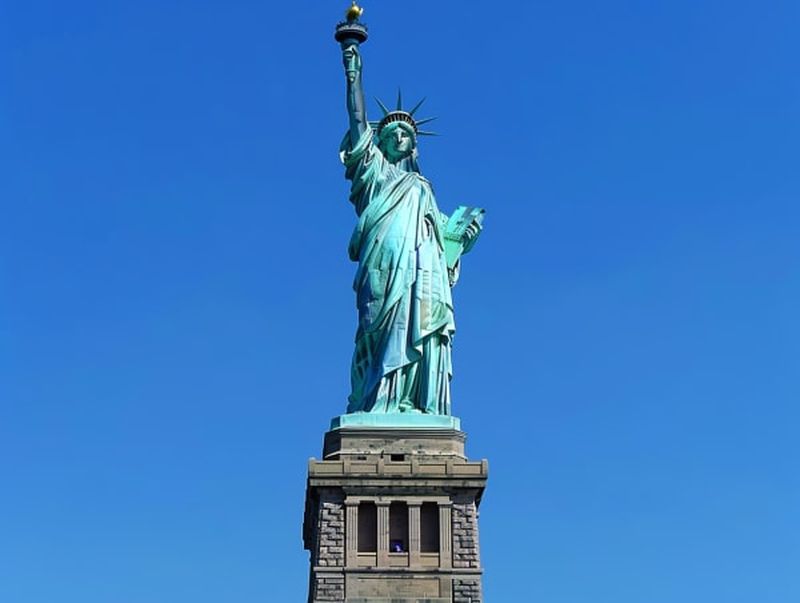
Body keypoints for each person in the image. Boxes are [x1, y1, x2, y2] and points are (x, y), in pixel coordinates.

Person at [340, 43, 480, 415]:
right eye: (392, 133)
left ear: (414, 145)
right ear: (380, 142)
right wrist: (353, 74)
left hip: (424, 271)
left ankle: (414, 401)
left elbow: (443, 243)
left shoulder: (423, 189)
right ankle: (378, 401)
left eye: (406, 134)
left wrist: (460, 242)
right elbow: (357, 122)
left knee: (424, 325)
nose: (400, 137)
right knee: (379, 329)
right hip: (384, 264)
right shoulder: (374, 174)